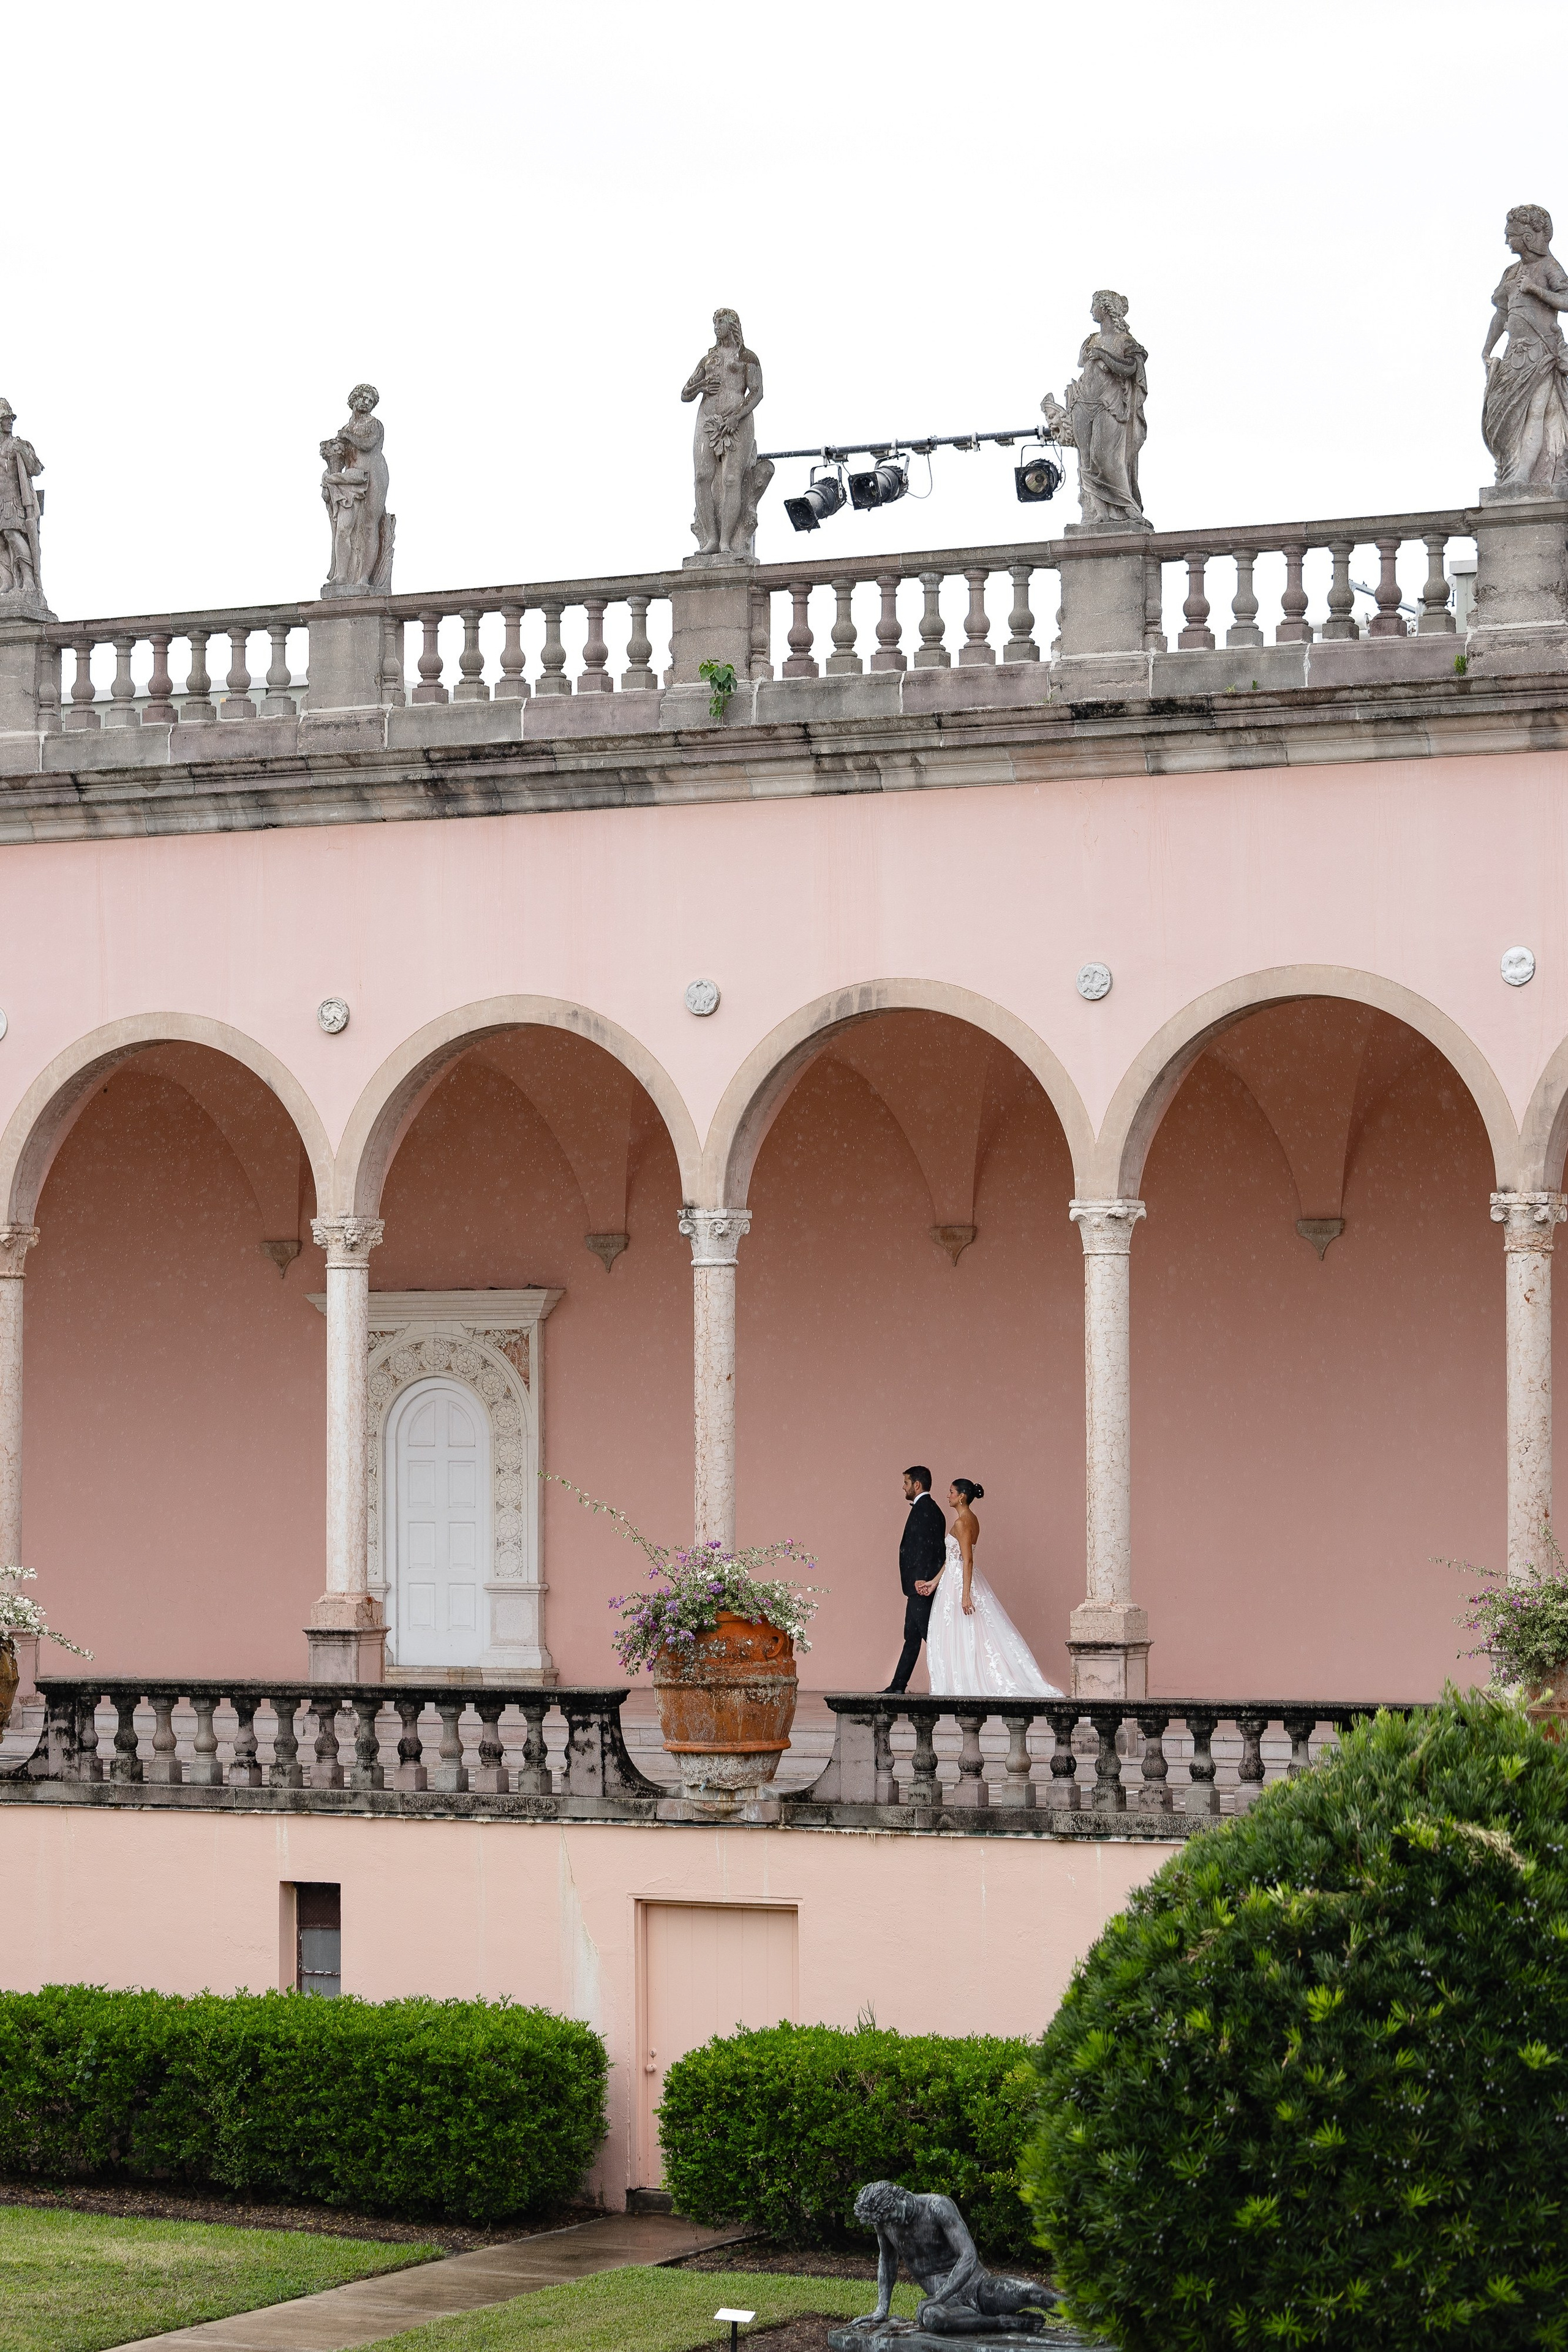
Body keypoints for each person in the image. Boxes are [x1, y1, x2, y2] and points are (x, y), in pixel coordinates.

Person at [850, 2179, 1058, 2337]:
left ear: (898, 2198)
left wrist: (938, 2296)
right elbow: (887, 2260)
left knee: (1031, 2291)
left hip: (980, 2288)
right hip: (951, 2306)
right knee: (932, 2318)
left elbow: (969, 2256)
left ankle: (1086, 2317)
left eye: (891, 2216)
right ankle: (1006, 2323)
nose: (892, 2223)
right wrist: (882, 2309)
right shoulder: (884, 2221)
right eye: (885, 2222)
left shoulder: (937, 2206)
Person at [922, 1479, 1062, 1699]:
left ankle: (968, 1683)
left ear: (961, 1497)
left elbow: (967, 1560)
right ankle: (964, 1681)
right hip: (954, 1579)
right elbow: (954, 1558)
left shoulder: (962, 1522)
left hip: (960, 1582)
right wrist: (934, 1581)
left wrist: (965, 1595)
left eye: (951, 1492)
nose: (947, 1495)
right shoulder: (972, 1519)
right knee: (964, 1633)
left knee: (967, 1633)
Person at [1482, 204, 1568, 494]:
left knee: (1535, 413)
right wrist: (1487, 349)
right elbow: (1501, 314)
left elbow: (1567, 300)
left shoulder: (1549, 267)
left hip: (1541, 355)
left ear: (1528, 238)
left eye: (1512, 235)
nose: (1507, 241)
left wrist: (1536, 290)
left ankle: (1523, 475)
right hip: (1513, 357)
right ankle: (1512, 470)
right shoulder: (1510, 272)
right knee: (1504, 420)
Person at [680, 308, 773, 557]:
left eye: (720, 322)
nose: (716, 328)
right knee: (702, 477)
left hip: (737, 422)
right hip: (707, 420)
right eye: (714, 323)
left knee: (731, 479)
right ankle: (710, 538)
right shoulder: (708, 360)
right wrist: (701, 386)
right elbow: (685, 394)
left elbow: (757, 392)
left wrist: (736, 416)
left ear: (732, 325)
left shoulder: (747, 357)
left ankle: (726, 542)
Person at [885, 1466, 946, 1694]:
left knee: (932, 1637)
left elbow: (926, 1548)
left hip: (921, 1586)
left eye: (906, 1482)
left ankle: (951, 1682)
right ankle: (898, 1686)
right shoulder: (930, 1509)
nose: (904, 1486)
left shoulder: (925, 1510)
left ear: (917, 1485)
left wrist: (921, 1580)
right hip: (918, 1585)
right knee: (911, 1637)